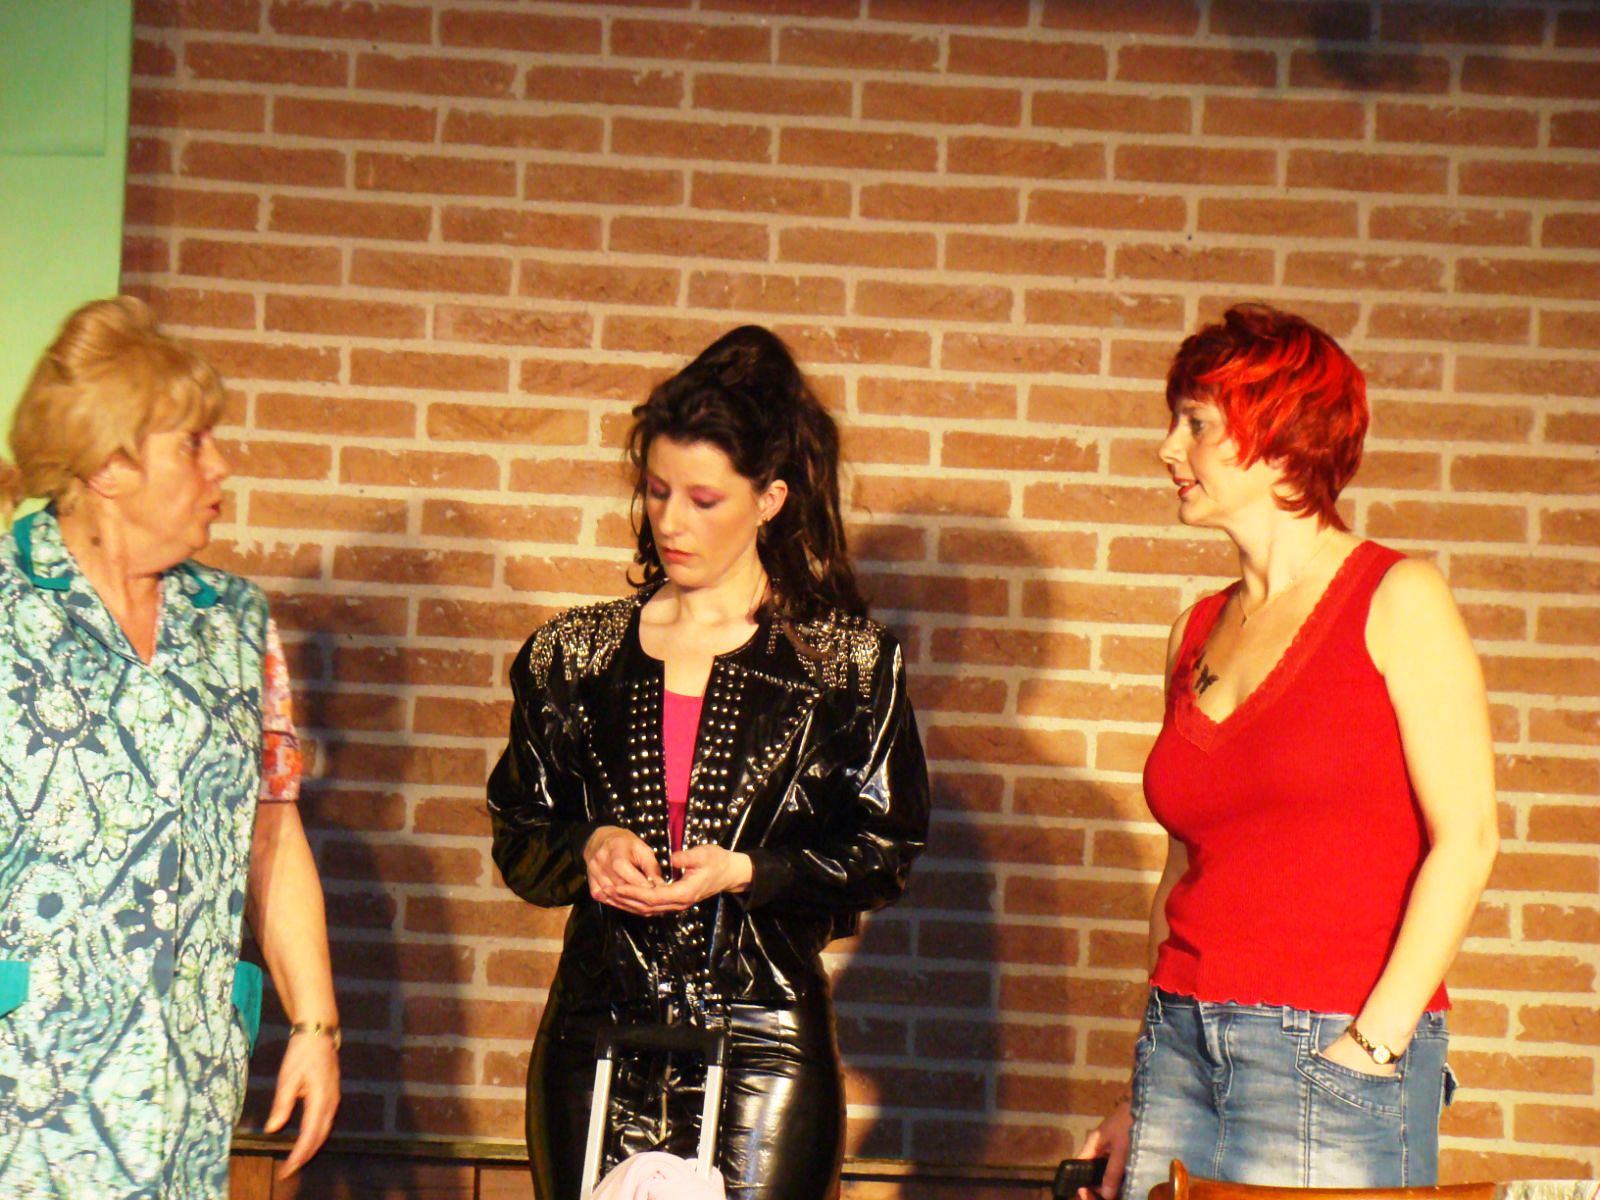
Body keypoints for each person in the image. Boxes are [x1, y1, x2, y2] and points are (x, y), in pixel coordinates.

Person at [489, 325, 929, 1200]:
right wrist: (588, 846)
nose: (672, 522)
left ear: (770, 499)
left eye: (703, 498)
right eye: (657, 492)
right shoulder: (572, 655)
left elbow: (885, 850)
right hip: (596, 1025)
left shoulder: (845, 665)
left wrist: (749, 870)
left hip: (764, 1033)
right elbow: (519, 833)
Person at [1078, 305, 1498, 1199]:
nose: (1167, 448)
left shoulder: (1396, 597)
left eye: (1195, 424)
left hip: (1330, 1042)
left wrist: (1371, 1049)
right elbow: (1183, 865)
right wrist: (1138, 1088)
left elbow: (1467, 841)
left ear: (1278, 441)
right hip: (1180, 1040)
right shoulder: (1194, 630)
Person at [0, 297, 340, 1198]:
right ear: (110, 465)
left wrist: (315, 1026)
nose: (220, 465)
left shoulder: (234, 621)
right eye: (193, 443)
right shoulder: (5, 607)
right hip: (24, 1098)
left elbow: (271, 829)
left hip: (183, 1094)